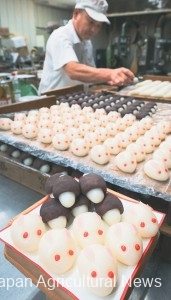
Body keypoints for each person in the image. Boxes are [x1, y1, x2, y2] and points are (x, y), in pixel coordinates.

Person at [38, 0, 135, 94]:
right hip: (51, 102)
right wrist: (109, 74)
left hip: (75, 99)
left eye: (98, 25)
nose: (93, 30)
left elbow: (91, 74)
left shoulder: (87, 42)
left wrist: (113, 79)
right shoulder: (60, 36)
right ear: (76, 14)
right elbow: (73, 70)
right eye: (91, 22)